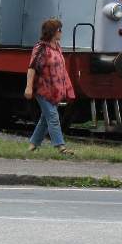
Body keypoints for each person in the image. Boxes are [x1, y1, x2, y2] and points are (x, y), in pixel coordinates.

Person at [24, 17, 76, 156]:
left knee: (44, 119)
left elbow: (62, 70)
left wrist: (67, 88)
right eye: (59, 29)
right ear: (53, 31)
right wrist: (28, 87)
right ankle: (61, 147)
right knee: (53, 116)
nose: (61, 32)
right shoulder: (41, 48)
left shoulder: (57, 47)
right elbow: (32, 67)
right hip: (43, 89)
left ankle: (32, 146)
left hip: (55, 90)